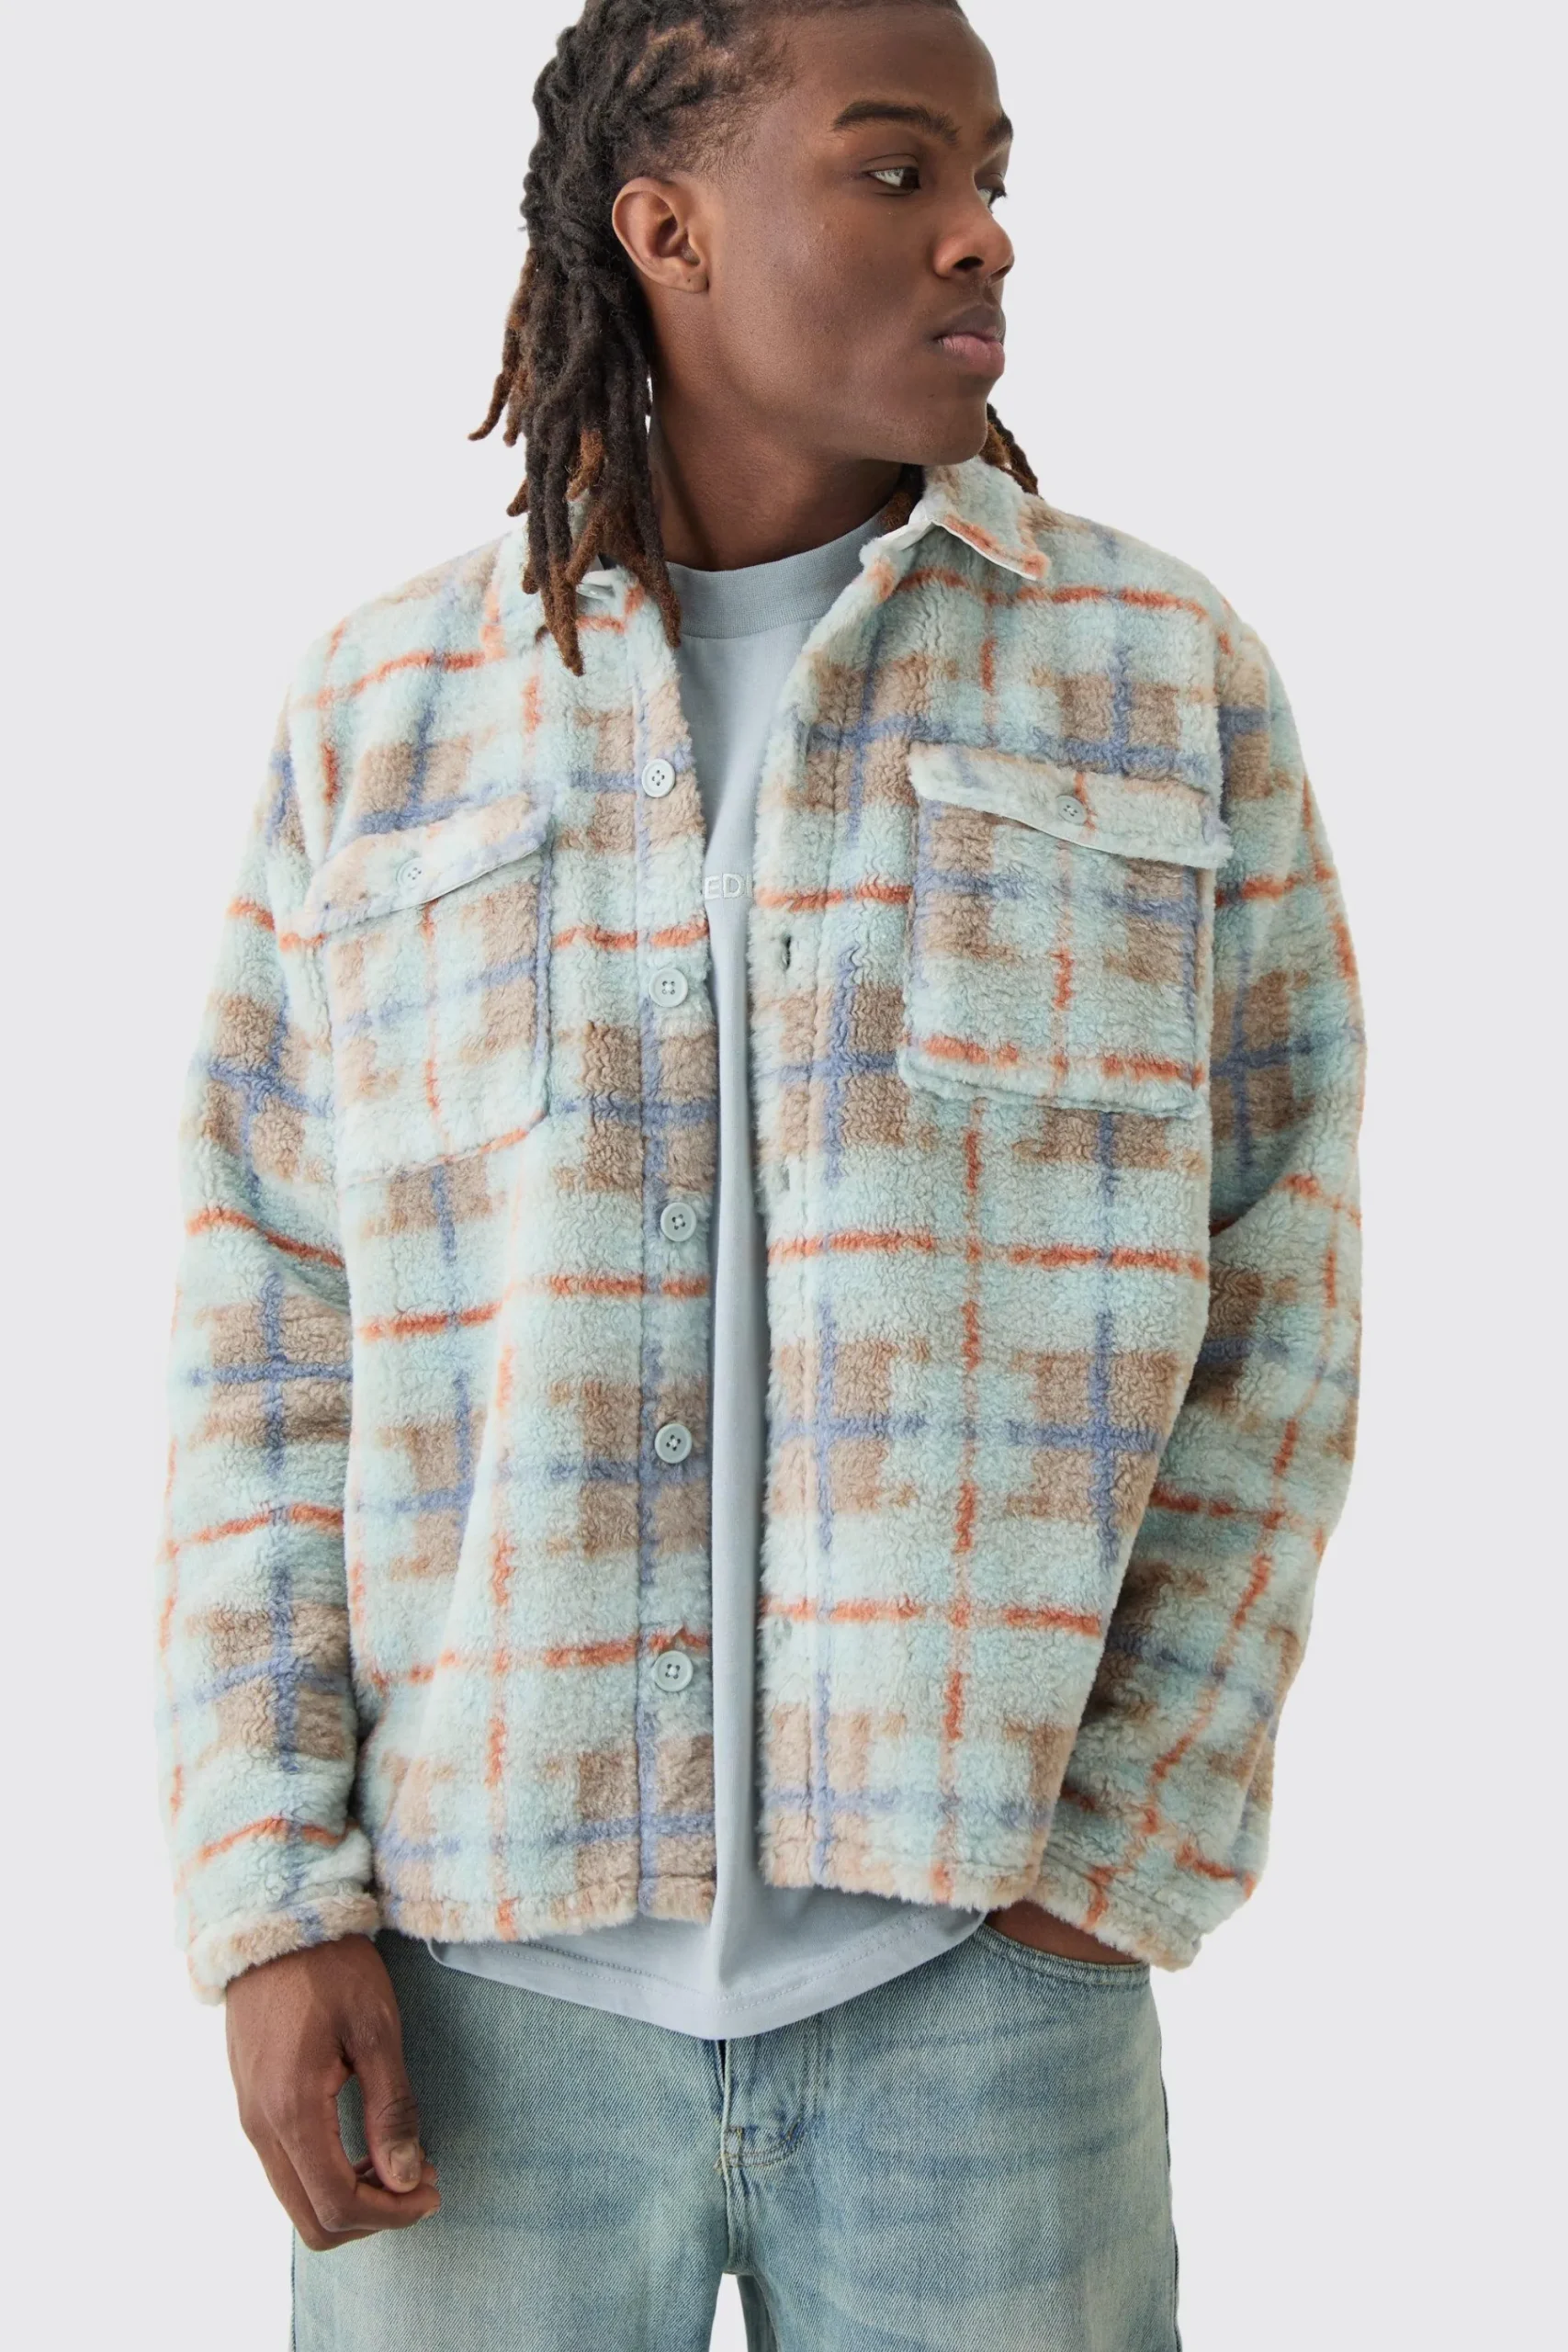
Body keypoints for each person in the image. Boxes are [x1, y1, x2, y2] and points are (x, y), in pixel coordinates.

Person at [154, 2, 1365, 2344]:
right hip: (472, 1993)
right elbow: (265, 1337)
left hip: (979, 1988)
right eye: (897, 171)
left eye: (992, 176)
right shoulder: (384, 713)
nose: (979, 232)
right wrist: (272, 1896)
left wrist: (1120, 1850)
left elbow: (1282, 1286)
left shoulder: (1154, 675)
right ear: (668, 227)